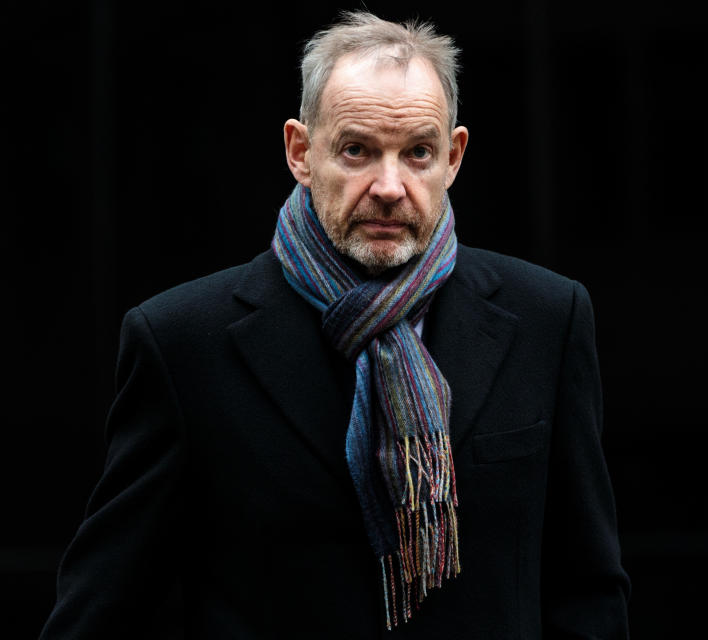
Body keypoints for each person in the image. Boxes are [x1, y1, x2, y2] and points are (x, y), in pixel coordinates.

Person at [40, 11, 630, 639]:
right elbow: (101, 610)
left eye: (418, 153)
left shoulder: (546, 318)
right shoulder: (185, 341)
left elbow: (587, 594)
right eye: (357, 150)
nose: (389, 185)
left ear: (454, 157)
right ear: (301, 151)